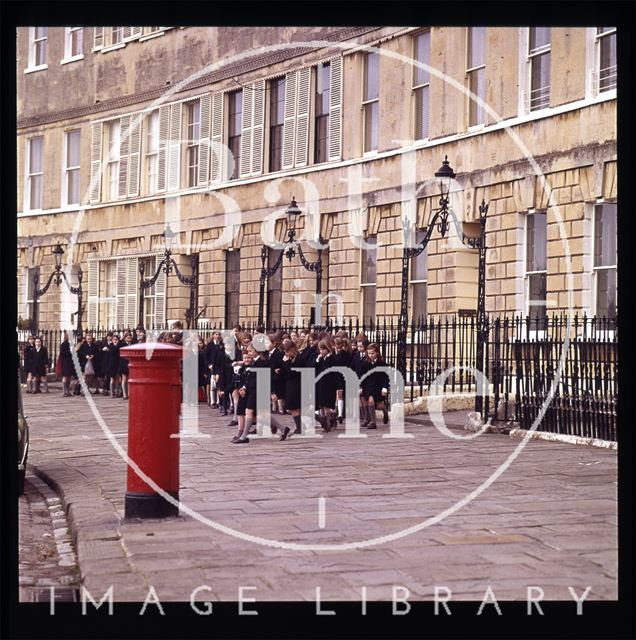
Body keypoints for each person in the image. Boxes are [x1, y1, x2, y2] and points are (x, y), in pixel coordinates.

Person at [360, 342, 390, 429]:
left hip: (378, 386)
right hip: (368, 386)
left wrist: (385, 387)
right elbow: (362, 376)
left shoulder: (382, 363)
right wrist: (361, 386)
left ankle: (384, 411)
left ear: (377, 353)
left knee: (379, 405)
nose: (370, 355)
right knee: (366, 400)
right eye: (369, 353)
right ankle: (368, 419)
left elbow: (386, 377)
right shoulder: (366, 363)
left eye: (372, 353)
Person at [315, 339, 338, 432]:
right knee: (321, 405)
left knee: (327, 405)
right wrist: (317, 360)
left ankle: (327, 424)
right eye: (320, 350)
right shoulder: (321, 359)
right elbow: (314, 367)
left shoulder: (332, 358)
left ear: (327, 349)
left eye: (323, 349)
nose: (321, 352)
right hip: (320, 384)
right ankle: (331, 419)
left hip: (329, 385)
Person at [333, 336, 353, 423]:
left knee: (340, 394)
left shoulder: (346, 355)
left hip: (341, 377)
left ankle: (340, 414)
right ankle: (334, 412)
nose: (338, 347)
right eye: (337, 345)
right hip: (332, 376)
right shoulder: (331, 353)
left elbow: (349, 366)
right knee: (333, 395)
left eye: (340, 345)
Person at [59, 331, 76, 397]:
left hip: (70, 362)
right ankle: (64, 391)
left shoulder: (71, 344)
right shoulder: (63, 344)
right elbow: (63, 353)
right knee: (65, 376)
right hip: (65, 362)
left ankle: (68, 391)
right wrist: (70, 352)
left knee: (69, 377)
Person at [106, 333, 122, 398]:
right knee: (112, 379)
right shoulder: (111, 346)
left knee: (118, 379)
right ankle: (112, 393)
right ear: (112, 340)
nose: (115, 340)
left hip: (118, 363)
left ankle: (117, 393)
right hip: (112, 364)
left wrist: (117, 345)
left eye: (116, 339)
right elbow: (112, 351)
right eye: (114, 339)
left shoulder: (119, 345)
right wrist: (116, 345)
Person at [118, 332, 133, 399]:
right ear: (125, 338)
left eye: (130, 338)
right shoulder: (122, 344)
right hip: (124, 363)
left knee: (129, 379)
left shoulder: (132, 344)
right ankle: (124, 394)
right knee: (124, 378)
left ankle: (129, 393)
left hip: (130, 362)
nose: (129, 339)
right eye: (128, 338)